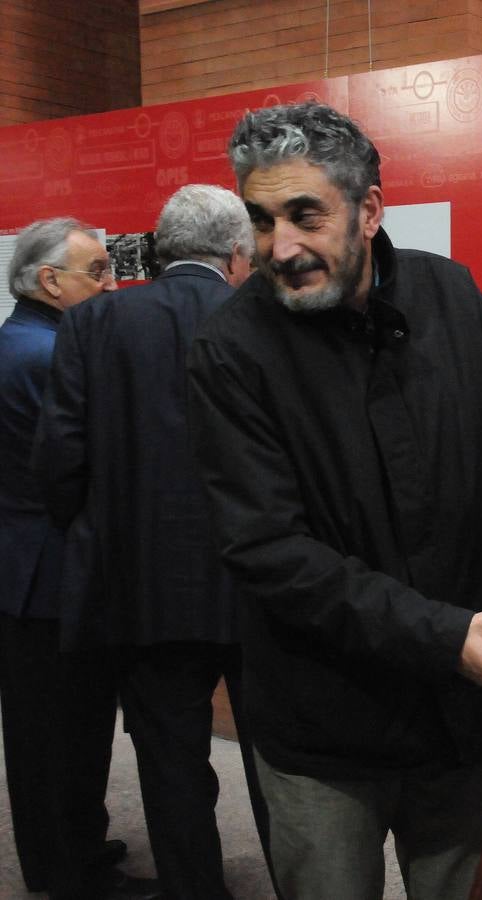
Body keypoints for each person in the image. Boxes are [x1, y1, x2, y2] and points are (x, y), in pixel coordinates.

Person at [185, 101, 482, 900]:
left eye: (306, 215)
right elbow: (270, 551)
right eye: (263, 221)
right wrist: (447, 637)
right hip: (322, 732)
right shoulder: (229, 351)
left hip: (460, 717)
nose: (282, 247)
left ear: (369, 209)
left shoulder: (451, 294)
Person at [32, 185, 267, 900]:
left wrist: (95, 535)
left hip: (142, 585)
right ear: (236, 254)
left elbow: (59, 459)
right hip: (267, 585)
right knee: (284, 764)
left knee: (169, 761)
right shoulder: (272, 321)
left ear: (161, 250)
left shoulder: (94, 324)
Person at [0, 218, 158, 899]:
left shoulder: (27, 341)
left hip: (30, 566)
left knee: (56, 730)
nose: (111, 283)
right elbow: (81, 465)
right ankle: (72, 873)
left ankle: (72, 850)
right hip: (49, 572)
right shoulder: (43, 354)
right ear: (48, 280)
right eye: (97, 271)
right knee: (61, 733)